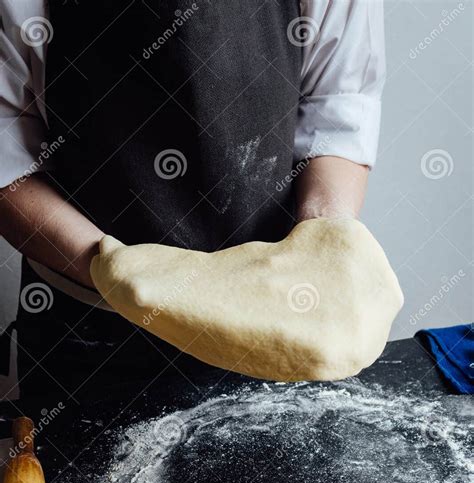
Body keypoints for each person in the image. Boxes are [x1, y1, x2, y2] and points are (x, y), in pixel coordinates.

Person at [0, 0, 385, 406]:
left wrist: (324, 241)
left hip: (280, 315)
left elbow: (338, 103)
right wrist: (115, 269)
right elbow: (7, 152)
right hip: (92, 328)